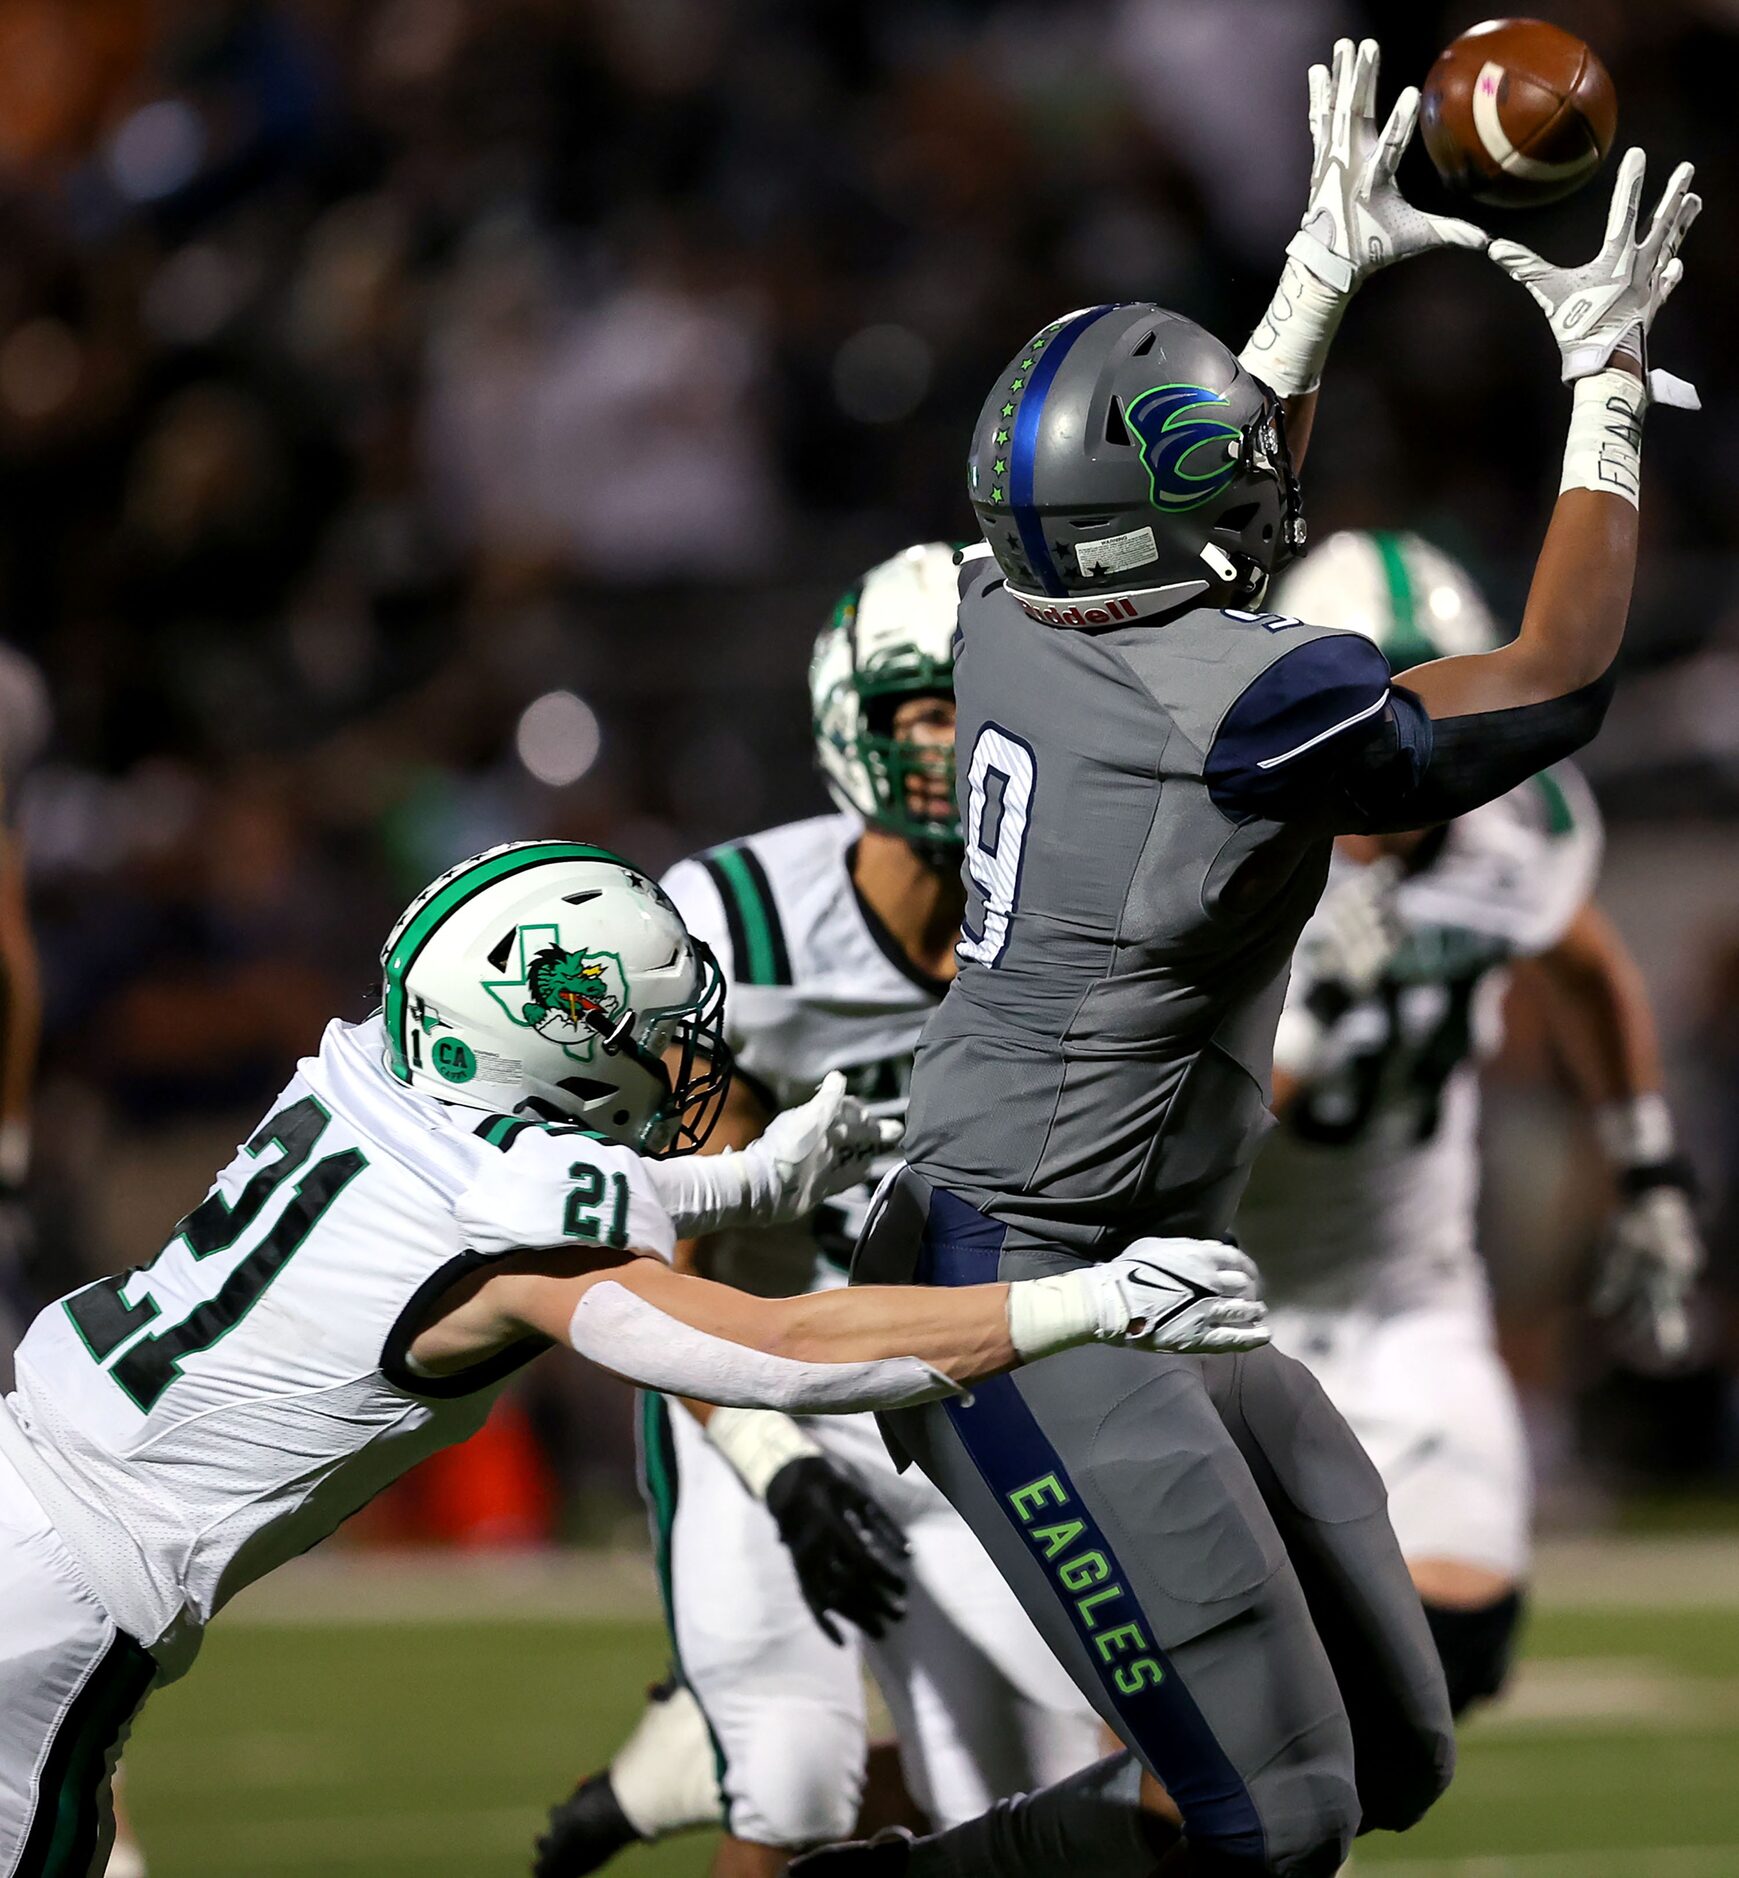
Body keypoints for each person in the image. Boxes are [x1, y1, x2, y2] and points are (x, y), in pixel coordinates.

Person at [799, 37, 1700, 1878]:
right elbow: (1550, 675)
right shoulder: (1230, 706)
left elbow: (1183, 519)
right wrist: (1601, 373)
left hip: (1136, 1262)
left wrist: (1313, 273)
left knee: (1385, 1751)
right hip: (1025, 1284)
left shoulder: (1004, 604)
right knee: (1266, 1818)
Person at [0, 839, 1265, 1874]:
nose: (679, 1067)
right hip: (65, 1609)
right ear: (545, 1044)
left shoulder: (367, 1071)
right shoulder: (511, 1231)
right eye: (654, 1037)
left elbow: (492, 1193)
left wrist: (754, 1178)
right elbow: (784, 1348)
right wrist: (1081, 1304)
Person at [535, 546, 1101, 1878]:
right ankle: (717, 1750)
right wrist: (773, 1460)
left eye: (977, 704)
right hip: (758, 1387)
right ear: (853, 722)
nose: (956, 742)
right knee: (792, 1781)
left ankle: (683, 1755)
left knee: (1059, 1782)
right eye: (923, 708)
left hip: (961, 1394)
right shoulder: (738, 925)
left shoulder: (1071, 912)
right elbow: (646, 1266)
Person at [1239, 528, 1704, 1718]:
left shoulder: (1519, 819)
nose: (1397, 744)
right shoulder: (1218, 841)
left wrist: (1644, 1161)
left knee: (1454, 1656)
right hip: (1208, 1302)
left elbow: (1583, 961)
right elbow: (1145, 1124)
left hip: (1408, 1298)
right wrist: (1294, 1028)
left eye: (1430, 706)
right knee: (1192, 1693)